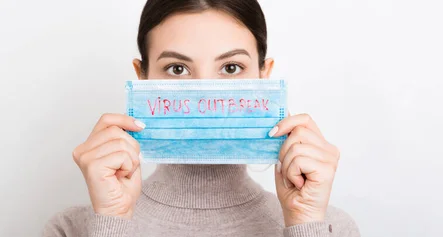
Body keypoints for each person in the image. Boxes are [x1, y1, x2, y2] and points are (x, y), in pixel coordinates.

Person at [43, 0, 360, 236]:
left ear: (264, 76)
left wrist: (304, 223)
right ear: (142, 78)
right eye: (177, 69)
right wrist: (112, 220)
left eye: (231, 68)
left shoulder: (329, 227)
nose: (205, 94)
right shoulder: (72, 229)